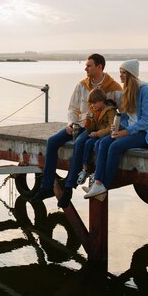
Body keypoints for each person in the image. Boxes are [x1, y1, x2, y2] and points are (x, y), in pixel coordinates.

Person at [30, 53, 122, 208]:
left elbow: (123, 112)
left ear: (99, 67)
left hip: (95, 127)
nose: (85, 68)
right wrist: (71, 123)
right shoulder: (81, 85)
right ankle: (46, 187)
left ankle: (68, 188)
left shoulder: (113, 88)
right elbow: (73, 108)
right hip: (79, 124)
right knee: (52, 142)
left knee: (79, 143)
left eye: (89, 65)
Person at [84, 59, 148, 198]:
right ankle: (97, 183)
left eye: (123, 73)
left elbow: (147, 120)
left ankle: (105, 186)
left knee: (115, 147)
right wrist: (118, 128)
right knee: (102, 143)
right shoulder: (127, 91)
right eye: (120, 72)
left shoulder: (146, 92)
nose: (120, 76)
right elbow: (127, 117)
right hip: (131, 130)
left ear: (131, 75)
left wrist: (125, 132)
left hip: (146, 133)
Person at [76, 89, 118, 189]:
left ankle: (96, 172)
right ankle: (85, 169)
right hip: (98, 134)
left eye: (95, 103)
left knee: (95, 145)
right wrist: (88, 122)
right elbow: (92, 128)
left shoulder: (110, 111)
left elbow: (111, 127)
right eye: (91, 103)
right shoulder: (94, 111)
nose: (93, 105)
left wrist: (97, 134)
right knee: (88, 143)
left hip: (106, 135)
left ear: (102, 100)